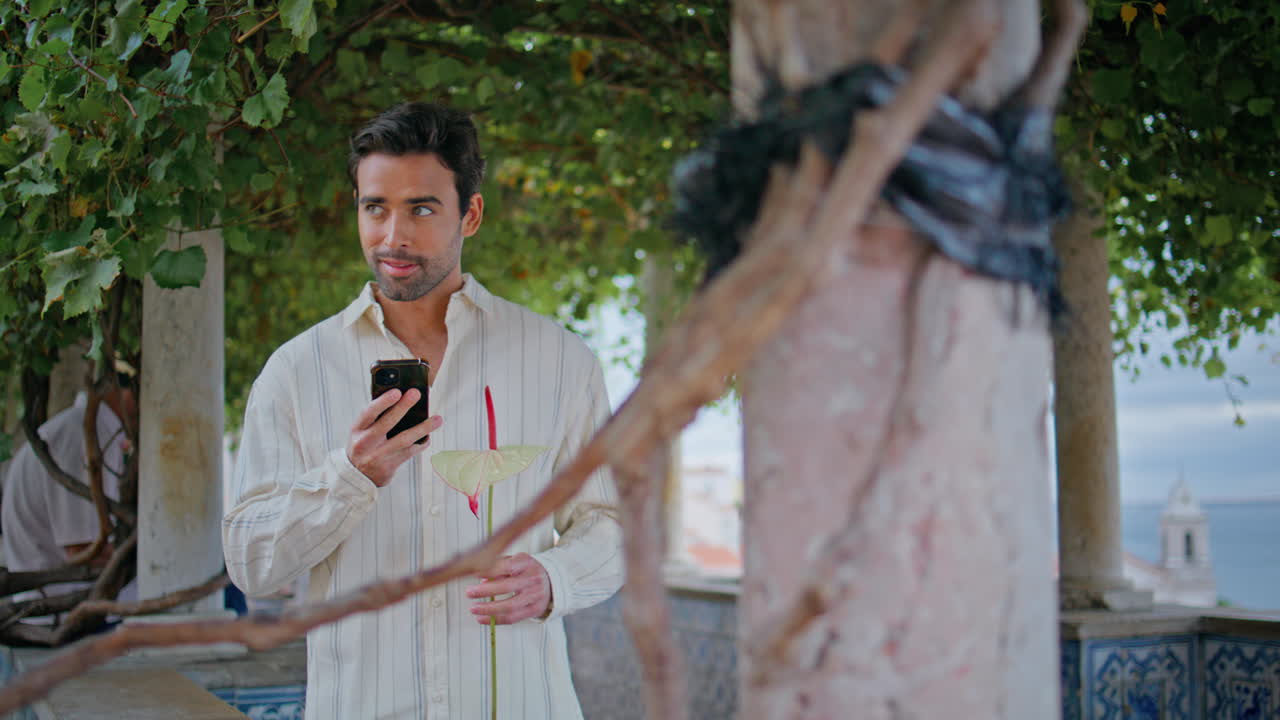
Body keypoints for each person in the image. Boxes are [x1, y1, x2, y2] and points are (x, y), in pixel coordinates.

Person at [223, 102, 624, 720]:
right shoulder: (295, 372)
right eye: (374, 207)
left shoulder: (561, 361)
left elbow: (613, 524)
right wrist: (348, 478)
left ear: (472, 214)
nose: (393, 237)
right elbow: (251, 563)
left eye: (421, 209)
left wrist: (555, 578)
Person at [1, 377, 136, 614]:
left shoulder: (86, 428)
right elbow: (85, 550)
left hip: (66, 608)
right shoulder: (85, 433)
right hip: (64, 615)